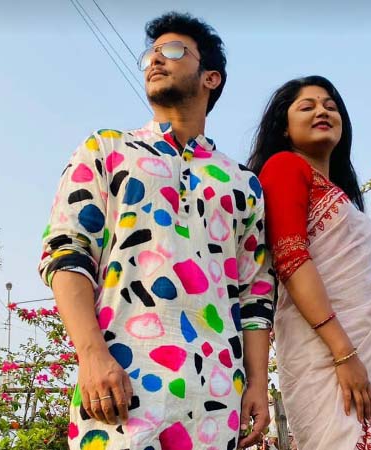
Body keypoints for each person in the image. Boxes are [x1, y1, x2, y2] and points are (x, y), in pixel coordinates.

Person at [39, 12, 274, 450]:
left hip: (215, 397)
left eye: (173, 50)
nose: (155, 60)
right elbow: (67, 252)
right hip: (118, 385)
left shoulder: (243, 184)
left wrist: (257, 385)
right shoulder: (105, 149)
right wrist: (91, 355)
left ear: (211, 78)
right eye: (151, 54)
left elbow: (255, 294)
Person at [246, 75, 371, 449]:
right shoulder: (285, 166)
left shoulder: (341, 196)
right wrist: (343, 354)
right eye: (307, 106)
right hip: (327, 353)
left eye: (330, 106)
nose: (322, 111)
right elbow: (291, 260)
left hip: (356, 351)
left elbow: (343, 270)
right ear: (284, 127)